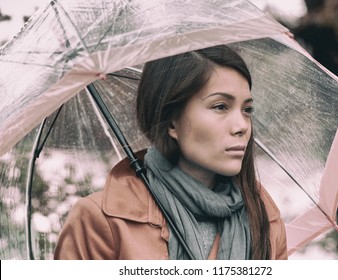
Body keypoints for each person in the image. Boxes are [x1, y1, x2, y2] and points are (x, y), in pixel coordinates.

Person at [54, 45, 288, 260]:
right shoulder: (101, 222)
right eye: (220, 107)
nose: (242, 126)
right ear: (171, 123)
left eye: (247, 109)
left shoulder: (264, 219)